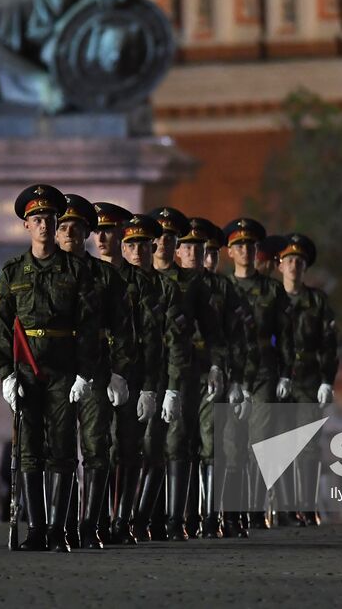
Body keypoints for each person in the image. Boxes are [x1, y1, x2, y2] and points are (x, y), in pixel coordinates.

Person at [0, 184, 101, 552]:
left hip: (63, 370)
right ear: (26, 225)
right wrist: (5, 373)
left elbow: (88, 325)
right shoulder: (13, 271)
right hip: (26, 371)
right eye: (36, 219)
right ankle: (37, 529)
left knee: (64, 449)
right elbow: (0, 325)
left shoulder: (76, 269)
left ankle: (58, 530)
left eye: (49, 219)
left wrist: (85, 373)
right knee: (29, 450)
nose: (43, 225)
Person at [57, 194, 134, 549]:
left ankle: (90, 524)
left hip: (96, 371)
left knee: (96, 448)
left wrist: (118, 371)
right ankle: (62, 523)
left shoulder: (104, 275)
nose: (69, 232)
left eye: (76, 226)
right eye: (63, 226)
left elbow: (123, 329)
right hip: (56, 372)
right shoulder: (41, 273)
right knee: (58, 450)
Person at [92, 201, 165, 545]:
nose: (101, 238)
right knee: (97, 447)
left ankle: (123, 518)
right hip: (94, 373)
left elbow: (152, 339)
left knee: (128, 448)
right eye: (98, 231)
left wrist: (150, 387)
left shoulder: (141, 283)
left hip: (131, 375)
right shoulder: (87, 275)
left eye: (108, 230)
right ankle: (97, 519)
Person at [178, 217, 250, 540]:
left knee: (212, 444)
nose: (199, 255)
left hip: (212, 373)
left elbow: (235, 337)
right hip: (179, 374)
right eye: (192, 247)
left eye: (204, 248)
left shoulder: (222, 289)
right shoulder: (174, 284)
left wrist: (236, 379)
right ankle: (183, 517)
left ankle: (211, 517)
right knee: (181, 444)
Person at [223, 217, 290, 532]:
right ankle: (231, 512)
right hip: (230, 371)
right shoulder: (221, 288)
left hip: (263, 368)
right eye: (239, 245)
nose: (245, 251)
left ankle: (255, 509)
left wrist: (286, 373)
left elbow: (285, 335)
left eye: (250, 245)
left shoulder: (273, 290)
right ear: (229, 252)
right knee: (231, 444)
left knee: (261, 441)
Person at [117, 212, 179, 542]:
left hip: (158, 376)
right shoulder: (116, 285)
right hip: (125, 377)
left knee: (154, 448)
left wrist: (167, 387)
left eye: (143, 244)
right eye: (131, 244)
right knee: (120, 449)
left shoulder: (164, 287)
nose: (138, 250)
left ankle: (142, 519)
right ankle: (119, 519)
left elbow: (172, 341)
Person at [150, 207, 211, 541]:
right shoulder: (141, 279)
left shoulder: (192, 284)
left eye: (170, 239)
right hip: (144, 370)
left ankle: (177, 519)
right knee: (147, 442)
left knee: (177, 441)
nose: (162, 244)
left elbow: (210, 330)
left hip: (181, 370)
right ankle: (149, 517)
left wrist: (214, 366)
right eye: (159, 237)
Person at [277, 232, 337, 527]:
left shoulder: (317, 300)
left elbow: (329, 343)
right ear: (279, 265)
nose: (293, 266)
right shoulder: (272, 298)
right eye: (289, 260)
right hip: (278, 377)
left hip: (309, 378)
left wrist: (328, 380)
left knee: (309, 445)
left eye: (299, 261)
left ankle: (308, 506)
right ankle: (286, 508)